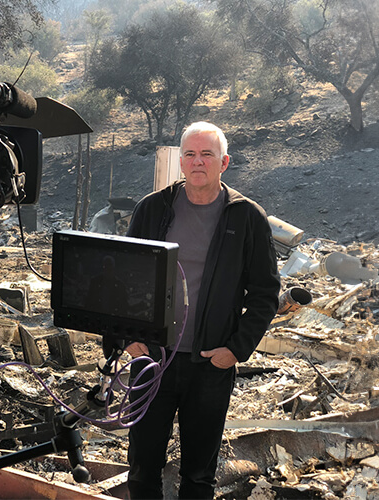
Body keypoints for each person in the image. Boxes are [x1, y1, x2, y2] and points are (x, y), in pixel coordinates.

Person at [124, 121, 280, 499]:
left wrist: (236, 350)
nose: (198, 162)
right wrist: (126, 335)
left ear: (223, 162)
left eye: (206, 154)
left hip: (210, 364)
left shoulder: (246, 217)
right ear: (181, 161)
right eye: (190, 154)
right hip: (153, 359)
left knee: (198, 475)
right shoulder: (153, 209)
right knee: (143, 466)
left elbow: (265, 292)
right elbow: (125, 276)